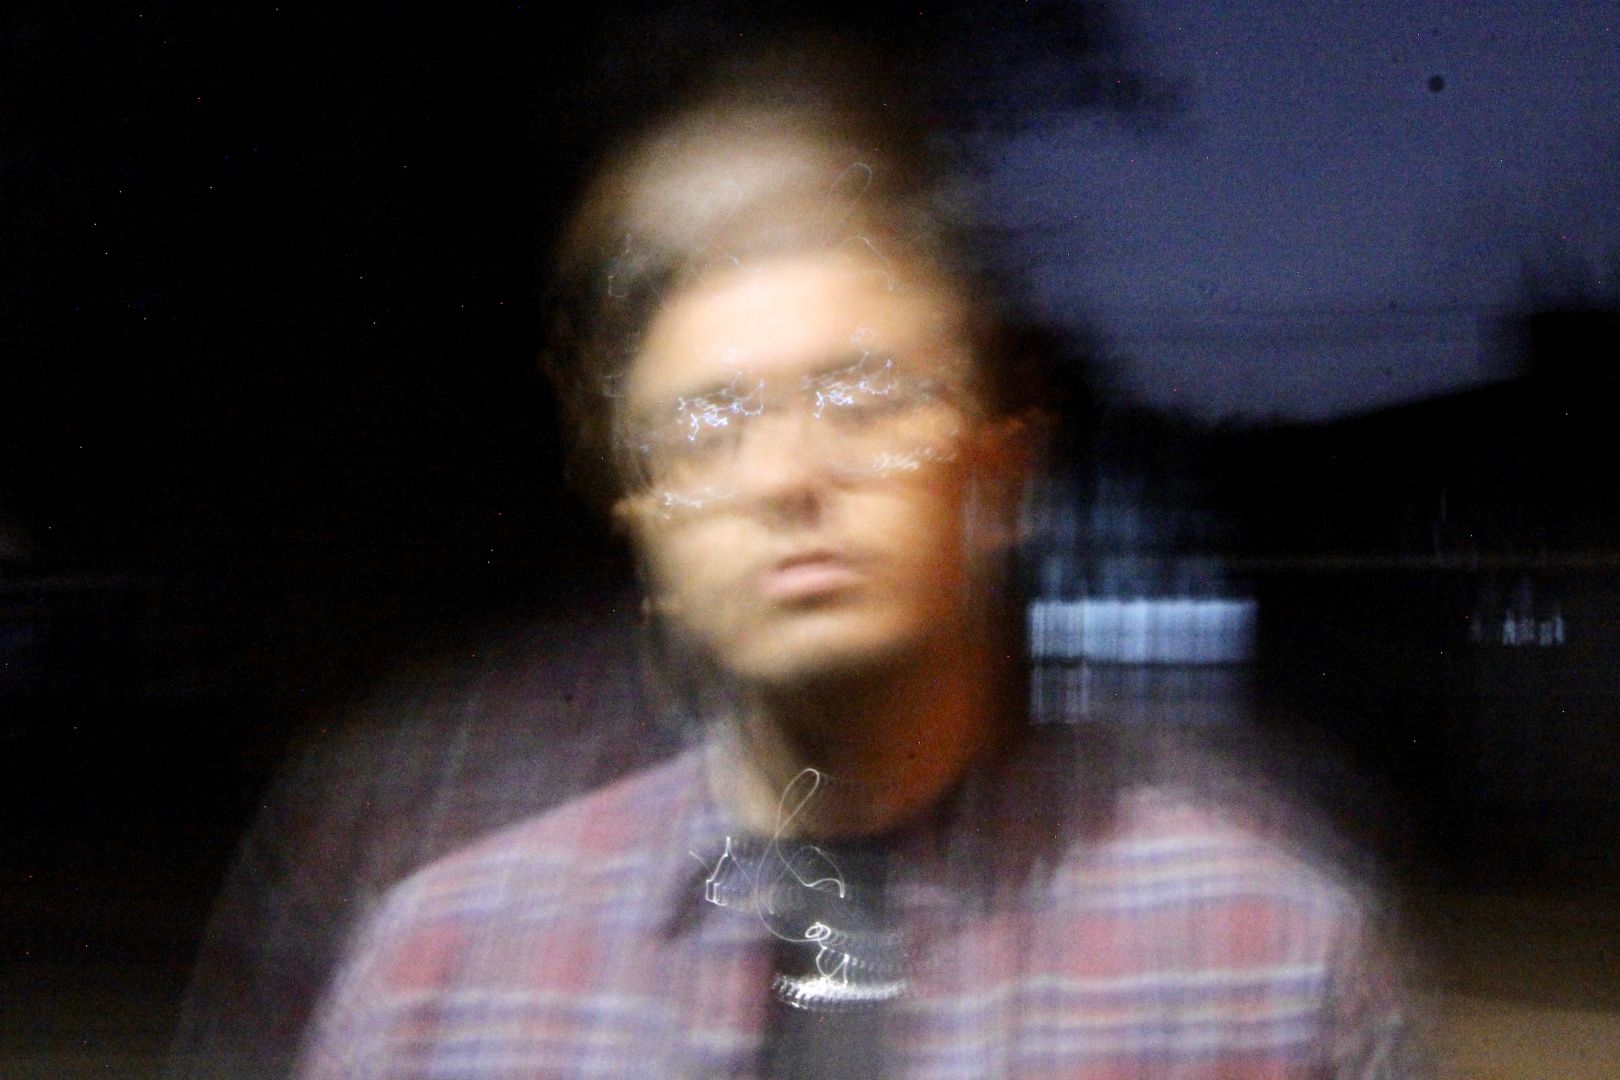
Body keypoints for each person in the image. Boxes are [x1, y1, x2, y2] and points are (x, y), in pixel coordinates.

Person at [298, 57, 1418, 1079]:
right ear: (645, 523)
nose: (787, 474)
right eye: (707, 426)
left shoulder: (1261, 964)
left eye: (866, 397)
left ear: (1002, 464)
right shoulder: (440, 977)